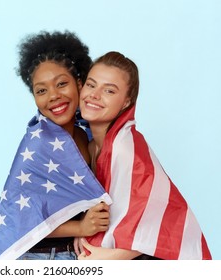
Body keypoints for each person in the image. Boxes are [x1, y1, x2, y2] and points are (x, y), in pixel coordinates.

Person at [0, 31, 111, 260]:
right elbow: (22, 220)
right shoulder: (38, 144)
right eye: (41, 90)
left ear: (79, 84)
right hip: (40, 257)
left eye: (61, 84)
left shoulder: (84, 135)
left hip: (74, 254)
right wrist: (81, 228)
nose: (53, 96)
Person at [77, 51, 212, 259]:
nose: (94, 95)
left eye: (109, 91)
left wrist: (110, 258)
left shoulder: (125, 148)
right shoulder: (90, 144)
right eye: (91, 84)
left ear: (126, 102)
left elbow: (151, 221)